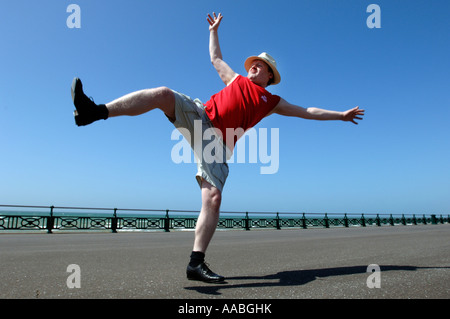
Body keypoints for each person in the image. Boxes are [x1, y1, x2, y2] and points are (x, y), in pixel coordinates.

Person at [70, 12, 364, 283]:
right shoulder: (235, 78)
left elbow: (307, 111)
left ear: (269, 78)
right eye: (254, 64)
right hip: (200, 116)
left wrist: (340, 115)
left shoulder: (272, 102)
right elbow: (215, 58)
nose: (255, 67)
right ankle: (94, 112)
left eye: (261, 66)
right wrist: (214, 31)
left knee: (212, 198)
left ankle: (195, 263)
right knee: (162, 93)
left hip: (219, 145)